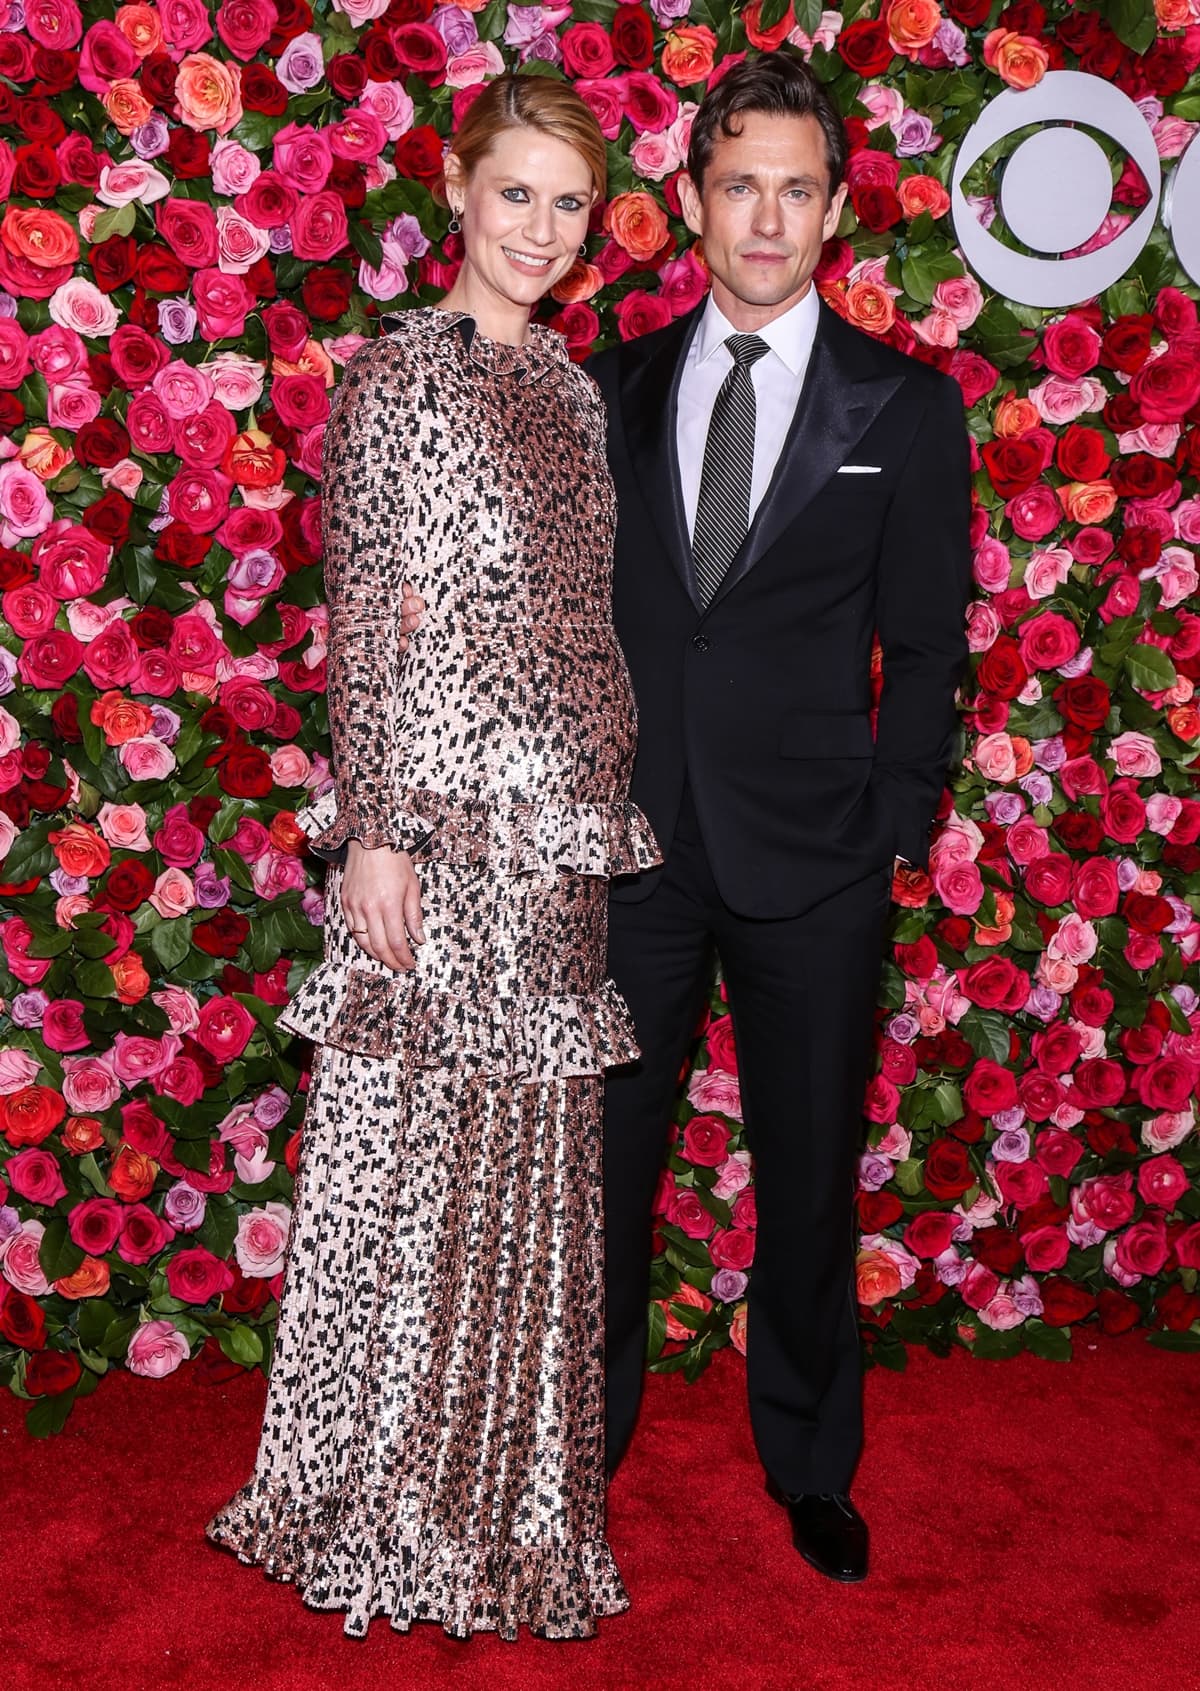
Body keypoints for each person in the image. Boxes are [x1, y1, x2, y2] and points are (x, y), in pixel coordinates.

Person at [205, 72, 659, 1642]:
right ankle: (389, 1502)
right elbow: (370, 617)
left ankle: (509, 1500)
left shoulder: (583, 395)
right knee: (416, 1152)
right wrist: (376, 831)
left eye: (569, 203)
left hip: (566, 838)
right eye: (515, 192)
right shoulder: (393, 382)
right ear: (456, 193)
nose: (540, 227)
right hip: (446, 827)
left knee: (529, 1167)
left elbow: (583, 614)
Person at [588, 52, 972, 1584]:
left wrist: (893, 822)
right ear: (692, 200)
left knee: (809, 1177)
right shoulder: (609, 384)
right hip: (632, 856)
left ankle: (813, 1462)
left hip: (818, 865)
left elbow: (932, 644)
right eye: (737, 182)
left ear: (832, 213)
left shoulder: (907, 405)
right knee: (601, 1176)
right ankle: (576, 1453)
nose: (765, 215)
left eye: (795, 189)